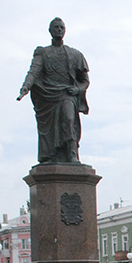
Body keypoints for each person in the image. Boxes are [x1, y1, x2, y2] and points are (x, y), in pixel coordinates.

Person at [18, 17, 90, 164]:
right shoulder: (43, 53)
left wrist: (77, 89)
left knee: (69, 119)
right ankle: (50, 156)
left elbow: (85, 80)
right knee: (49, 130)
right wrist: (25, 87)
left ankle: (72, 155)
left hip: (66, 94)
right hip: (47, 96)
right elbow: (34, 72)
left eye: (61, 27)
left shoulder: (75, 54)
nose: (59, 30)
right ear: (50, 30)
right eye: (56, 27)